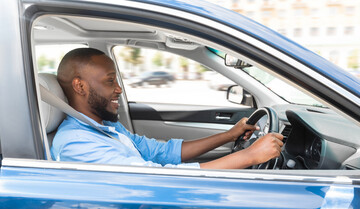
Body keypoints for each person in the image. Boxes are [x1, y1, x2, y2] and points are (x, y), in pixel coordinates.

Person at [51, 48, 283, 169]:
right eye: (110, 81)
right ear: (79, 86)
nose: (119, 90)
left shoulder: (106, 126)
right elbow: (154, 178)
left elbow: (162, 153)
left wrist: (229, 135)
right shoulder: (75, 142)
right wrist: (249, 155)